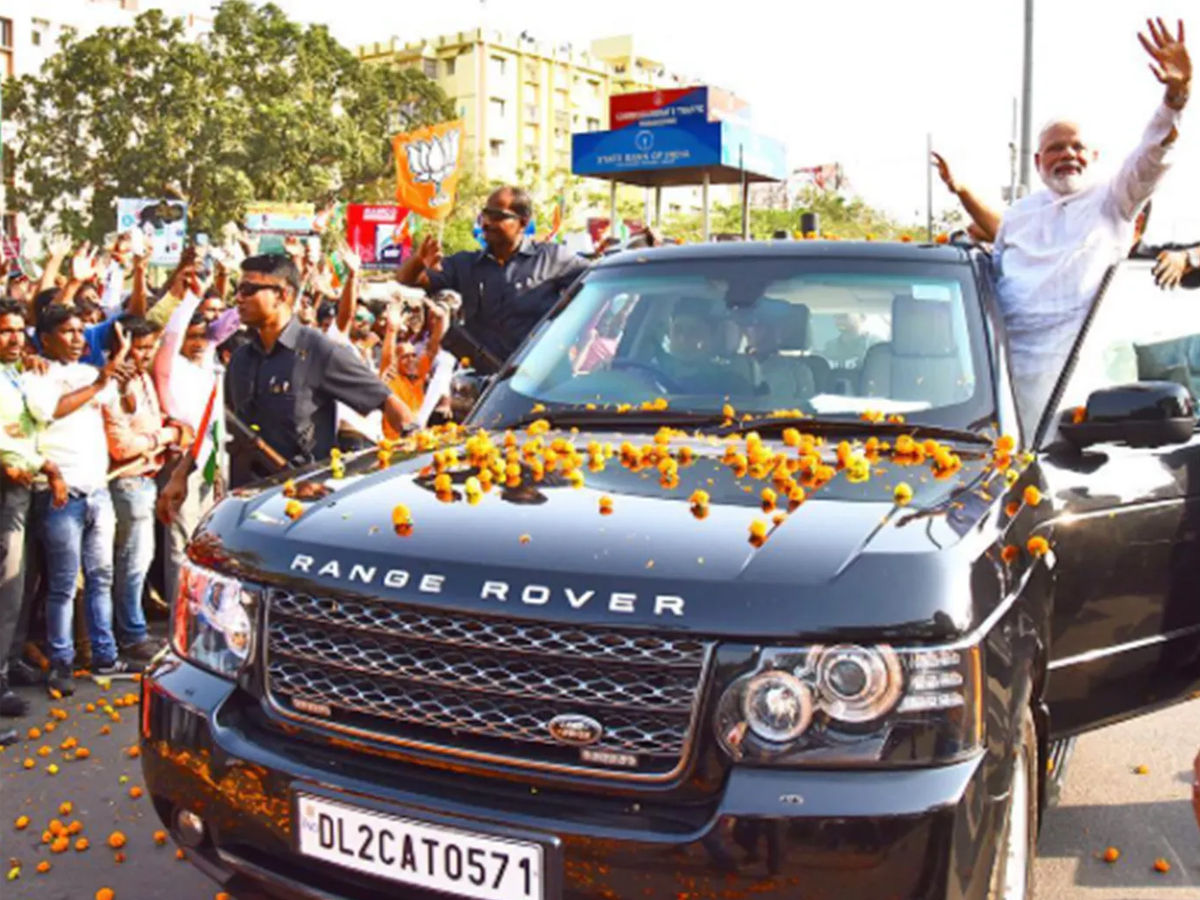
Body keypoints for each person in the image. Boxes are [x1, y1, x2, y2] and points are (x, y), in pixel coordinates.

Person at [993, 17, 1190, 429]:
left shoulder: (1112, 200)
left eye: (1077, 147)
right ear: (1038, 161)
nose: (1068, 155)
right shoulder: (1017, 216)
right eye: (1055, 148)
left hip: (1082, 399)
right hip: (1002, 391)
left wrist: (1175, 98)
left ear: (1094, 157)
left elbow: (1150, 159)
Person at [157, 254, 416, 520]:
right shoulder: (240, 359)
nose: (238, 299)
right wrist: (180, 475)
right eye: (238, 290)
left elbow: (388, 402)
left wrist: (419, 457)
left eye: (249, 290)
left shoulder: (317, 350)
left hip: (303, 509)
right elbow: (218, 424)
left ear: (282, 294)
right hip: (245, 506)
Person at [33, 305, 139, 693]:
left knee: (101, 578)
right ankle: (60, 662)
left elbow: (124, 407)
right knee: (62, 585)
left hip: (98, 491)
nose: (78, 338)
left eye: (81, 331)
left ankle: (105, 657)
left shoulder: (89, 371)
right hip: (62, 495)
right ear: (45, 339)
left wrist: (124, 378)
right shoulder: (39, 374)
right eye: (67, 331)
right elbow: (49, 412)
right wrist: (100, 383)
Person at [397, 186, 589, 362]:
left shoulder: (553, 258)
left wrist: (576, 334)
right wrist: (418, 261)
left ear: (523, 222)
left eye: (498, 216)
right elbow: (407, 280)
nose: (487, 223)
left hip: (537, 377)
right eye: (486, 215)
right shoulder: (465, 264)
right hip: (481, 381)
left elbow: (597, 282)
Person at [0, 300, 70, 734]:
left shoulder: (19, 375)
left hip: (23, 488)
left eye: (18, 330)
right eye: (5, 330)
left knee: (20, 586)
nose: (14, 338)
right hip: (7, 488)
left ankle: (8, 663)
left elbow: (29, 430)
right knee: (6, 587)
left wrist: (49, 468)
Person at [103, 316, 191, 662]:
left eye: (149, 347)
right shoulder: (116, 384)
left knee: (140, 560)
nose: (145, 354)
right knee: (132, 563)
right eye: (139, 348)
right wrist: (166, 436)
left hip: (147, 478)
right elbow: (122, 446)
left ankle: (130, 629)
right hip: (129, 481)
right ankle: (132, 635)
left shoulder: (143, 379)